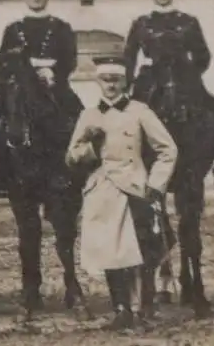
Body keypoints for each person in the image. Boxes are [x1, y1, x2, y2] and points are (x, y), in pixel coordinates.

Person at [66, 56, 177, 331]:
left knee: (136, 251)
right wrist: (90, 147)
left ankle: (141, 310)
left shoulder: (140, 111)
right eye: (105, 80)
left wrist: (155, 185)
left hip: (133, 188)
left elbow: (168, 150)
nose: (111, 85)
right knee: (109, 252)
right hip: (101, 189)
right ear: (98, 82)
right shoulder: (89, 115)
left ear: (124, 81)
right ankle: (121, 310)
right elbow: (71, 156)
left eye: (116, 80)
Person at [123, 0, 214, 195]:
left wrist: (188, 71)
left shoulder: (188, 22)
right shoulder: (141, 23)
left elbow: (203, 56)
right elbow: (129, 58)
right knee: (126, 121)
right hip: (151, 79)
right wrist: (130, 84)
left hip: (184, 78)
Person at [0, 0, 83, 119]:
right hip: (21, 86)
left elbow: (70, 59)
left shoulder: (62, 27)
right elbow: (3, 64)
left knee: (77, 116)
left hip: (53, 85)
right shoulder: (13, 29)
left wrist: (54, 73)